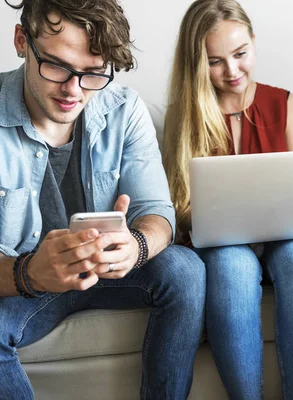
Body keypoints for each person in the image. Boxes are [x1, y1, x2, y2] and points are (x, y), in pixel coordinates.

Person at [0, 0, 206, 399]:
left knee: (186, 270)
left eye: (93, 74)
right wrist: (29, 274)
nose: (73, 90)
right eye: (57, 66)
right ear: (22, 41)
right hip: (25, 279)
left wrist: (138, 245)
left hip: (109, 269)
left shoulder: (124, 109)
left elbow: (156, 211)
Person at [162, 0, 293, 399]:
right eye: (215, 61)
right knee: (231, 263)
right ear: (196, 61)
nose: (232, 71)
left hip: (284, 239)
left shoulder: (285, 105)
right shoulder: (182, 117)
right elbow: (179, 209)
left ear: (254, 42)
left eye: (240, 55)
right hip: (223, 246)